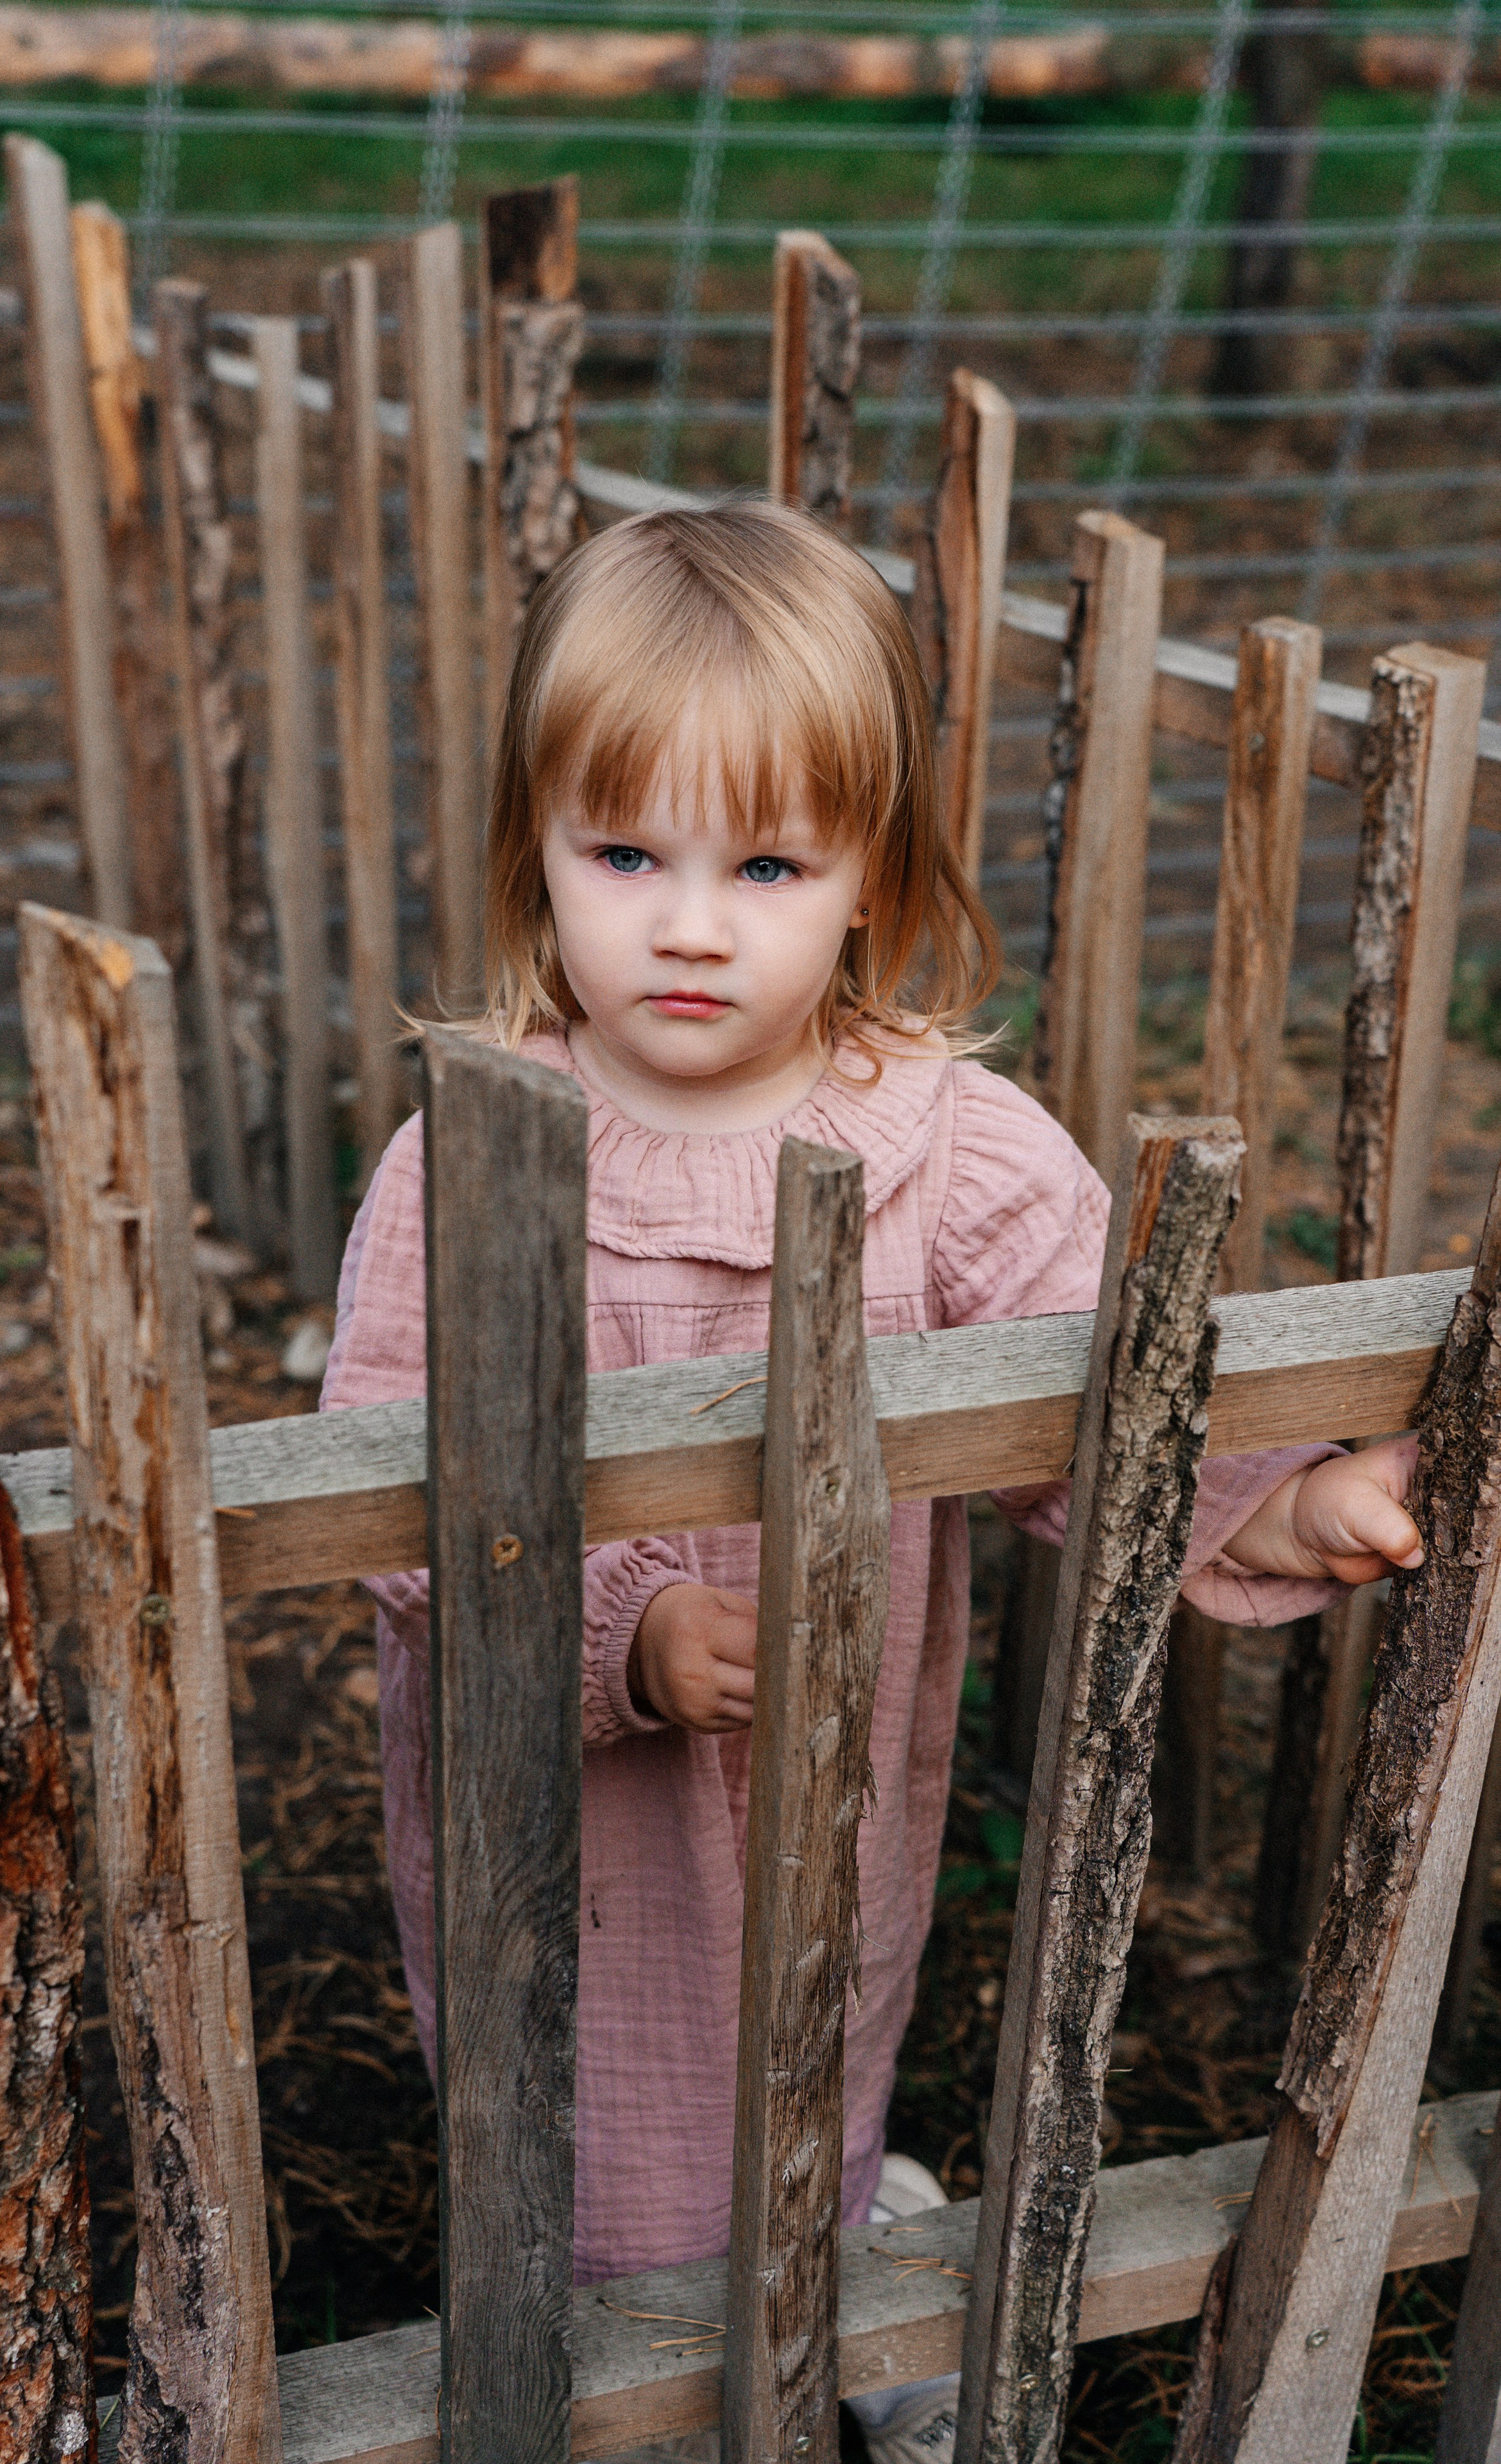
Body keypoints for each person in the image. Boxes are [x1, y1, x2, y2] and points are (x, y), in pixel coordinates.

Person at [320, 502, 1420, 2445]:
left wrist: (1285, 1495)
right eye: (622, 851)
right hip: (556, 1816)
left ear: (868, 878)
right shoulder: (472, 1155)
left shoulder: (950, 1155)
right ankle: (642, 2379)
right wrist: (624, 1624)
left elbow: (1115, 1392)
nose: (686, 919)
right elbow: (386, 1491)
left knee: (826, 2021)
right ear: (534, 853)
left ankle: (834, 2271)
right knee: (592, 2101)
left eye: (765, 861)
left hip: (835, 1773)